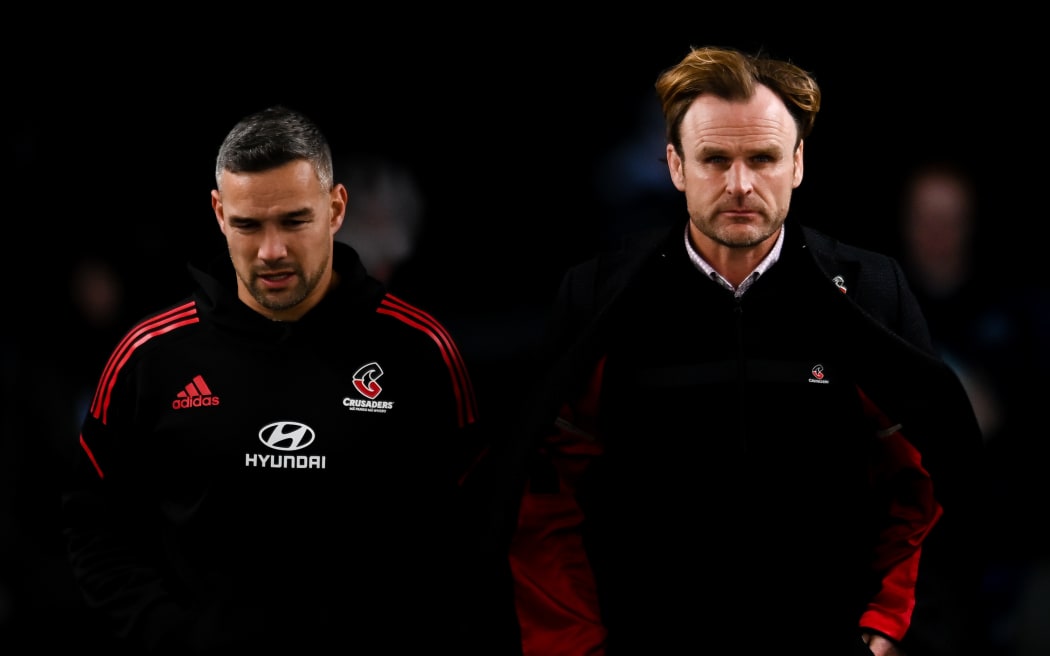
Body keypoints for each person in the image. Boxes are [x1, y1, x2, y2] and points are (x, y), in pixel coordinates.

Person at [498, 46, 986, 655]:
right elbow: (542, 497)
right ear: (675, 166)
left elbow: (927, 480)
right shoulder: (600, 297)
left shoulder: (869, 291)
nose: (739, 185)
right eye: (715, 160)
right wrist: (574, 648)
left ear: (797, 163)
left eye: (762, 158)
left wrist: (887, 628)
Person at [59, 105, 498, 654]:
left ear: (335, 209)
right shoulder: (150, 356)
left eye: (294, 221)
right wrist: (176, 638)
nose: (272, 251)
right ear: (220, 214)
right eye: (248, 224)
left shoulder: (420, 350)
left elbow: (478, 527)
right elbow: (93, 522)